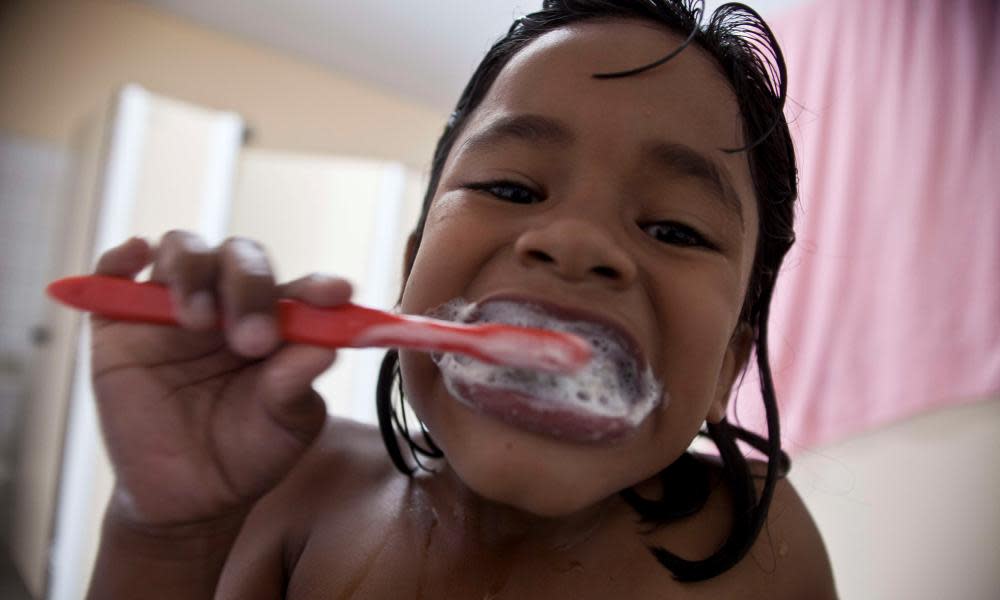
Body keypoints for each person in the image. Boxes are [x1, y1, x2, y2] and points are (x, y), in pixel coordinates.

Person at [85, 1, 836, 597]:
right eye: (511, 187)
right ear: (411, 274)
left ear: (728, 366)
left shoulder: (758, 550)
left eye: (675, 228)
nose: (575, 243)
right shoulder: (290, 487)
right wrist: (166, 535)